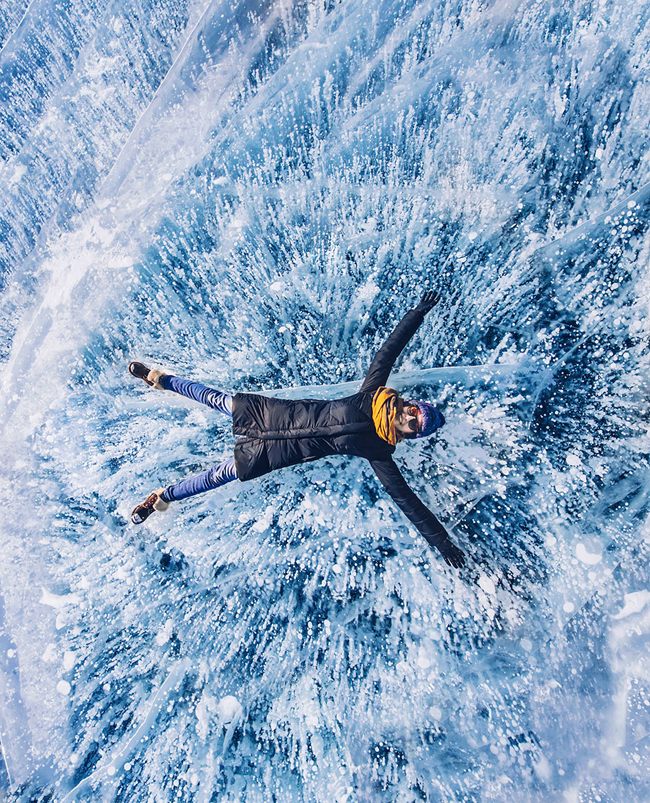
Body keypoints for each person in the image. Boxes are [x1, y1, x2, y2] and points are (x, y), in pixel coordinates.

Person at [129, 292, 466, 568]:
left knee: (221, 475)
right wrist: (417, 314)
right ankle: (160, 379)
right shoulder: (373, 394)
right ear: (411, 405)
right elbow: (387, 353)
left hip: (278, 453)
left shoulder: (380, 450)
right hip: (274, 415)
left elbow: (407, 501)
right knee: (216, 399)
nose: (410, 419)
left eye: (415, 426)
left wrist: (441, 542)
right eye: (415, 413)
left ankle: (162, 498)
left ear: (411, 434)